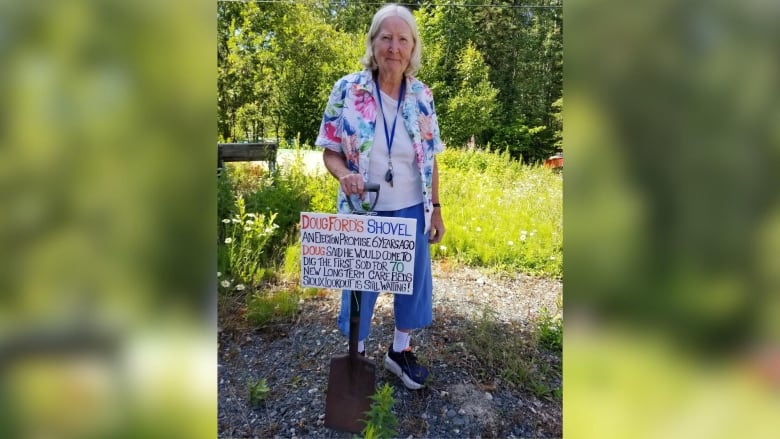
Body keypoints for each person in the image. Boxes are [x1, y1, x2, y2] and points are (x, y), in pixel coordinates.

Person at [315, 3, 445, 390]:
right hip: (363, 211)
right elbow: (329, 149)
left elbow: (431, 157)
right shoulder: (347, 88)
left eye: (402, 39)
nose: (394, 46)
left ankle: (399, 353)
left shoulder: (422, 95)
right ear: (373, 43)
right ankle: (355, 359)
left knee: (412, 284)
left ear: (413, 48)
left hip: (411, 208)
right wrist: (344, 175)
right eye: (386, 37)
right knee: (360, 290)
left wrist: (436, 209)